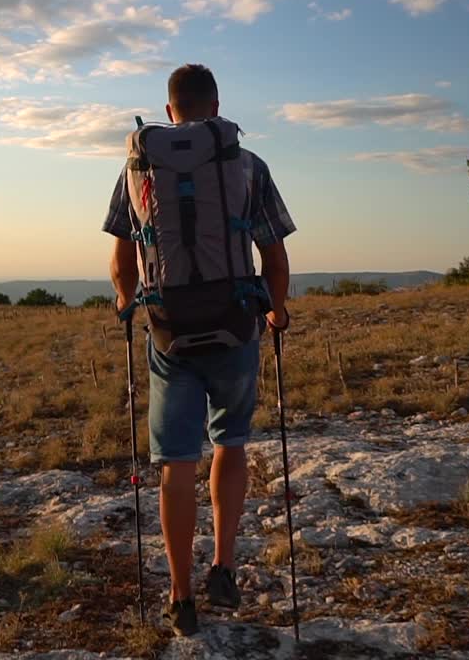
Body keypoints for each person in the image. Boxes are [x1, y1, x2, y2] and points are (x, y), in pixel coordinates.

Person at [102, 64, 295, 636]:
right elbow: (274, 256)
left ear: (169, 112)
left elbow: (121, 258)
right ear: (216, 107)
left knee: (175, 466)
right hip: (236, 325)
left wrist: (124, 300)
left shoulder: (138, 167)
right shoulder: (248, 164)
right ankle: (224, 566)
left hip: (168, 331)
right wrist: (275, 311)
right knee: (230, 445)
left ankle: (181, 596)